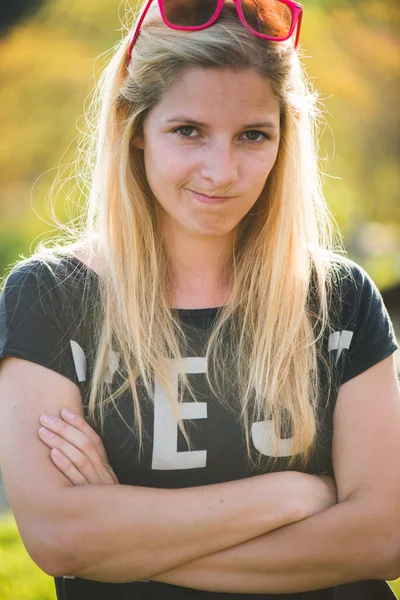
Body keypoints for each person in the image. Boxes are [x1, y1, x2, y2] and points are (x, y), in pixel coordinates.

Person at [0, 1, 399, 599]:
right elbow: (60, 537)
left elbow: (383, 538)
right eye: (188, 130)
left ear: (284, 140)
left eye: (253, 136)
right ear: (135, 131)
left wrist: (123, 537)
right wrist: (290, 495)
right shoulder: (52, 296)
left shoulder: (338, 299)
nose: (222, 171)